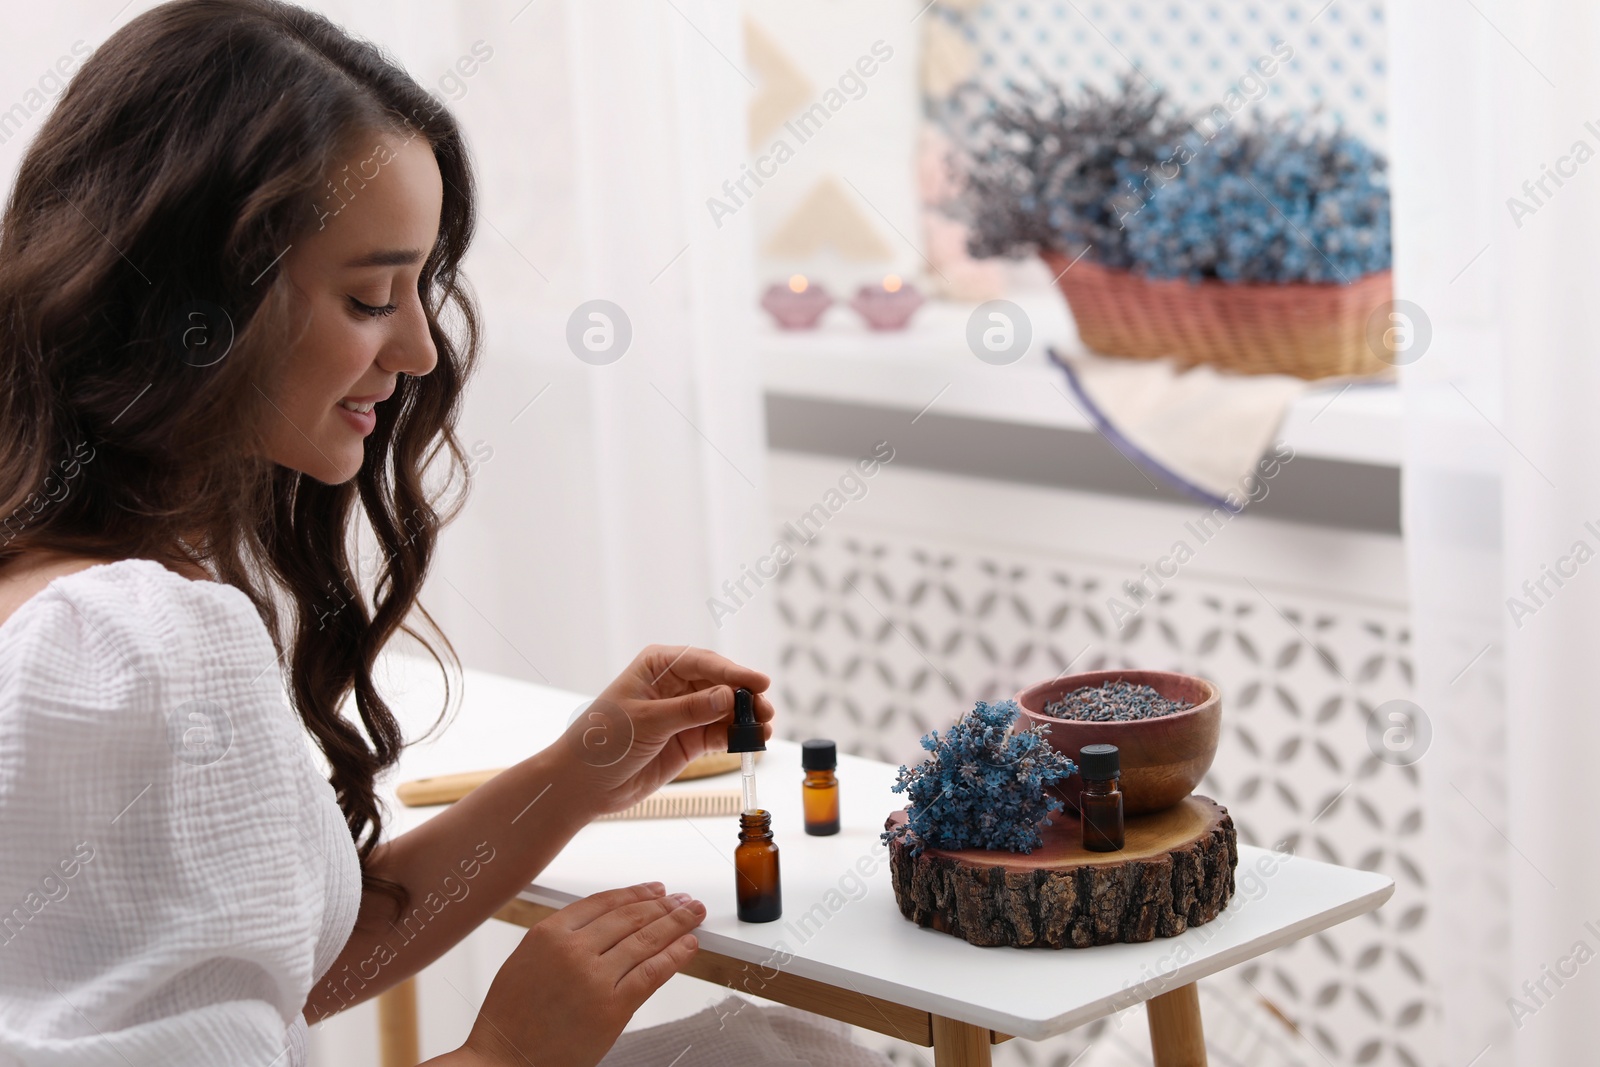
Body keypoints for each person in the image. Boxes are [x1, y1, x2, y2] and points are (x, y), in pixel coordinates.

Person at [0, 3, 777, 1064]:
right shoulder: (143, 647)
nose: (417, 348)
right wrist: (505, 1049)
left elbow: (282, 968)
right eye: (371, 295)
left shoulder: (57, 598)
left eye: (424, 290)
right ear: (202, 304)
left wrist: (577, 771)